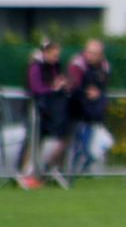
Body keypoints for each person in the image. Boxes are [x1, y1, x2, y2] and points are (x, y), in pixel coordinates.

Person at [19, 39, 71, 188]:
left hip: (48, 111)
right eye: (54, 55)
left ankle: (36, 175)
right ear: (45, 53)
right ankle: (24, 174)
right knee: (32, 141)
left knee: (41, 142)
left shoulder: (54, 66)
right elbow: (36, 88)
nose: (57, 59)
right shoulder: (35, 66)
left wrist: (63, 85)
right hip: (34, 110)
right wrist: (53, 88)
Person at [66, 39, 112, 174]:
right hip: (74, 110)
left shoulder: (104, 66)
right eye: (88, 52)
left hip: (92, 113)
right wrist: (86, 93)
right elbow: (73, 87)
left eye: (94, 53)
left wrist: (99, 93)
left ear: (100, 55)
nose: (90, 56)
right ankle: (67, 172)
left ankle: (79, 171)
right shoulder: (77, 65)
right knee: (75, 144)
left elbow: (103, 86)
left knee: (88, 146)